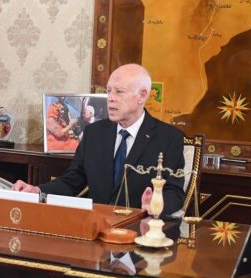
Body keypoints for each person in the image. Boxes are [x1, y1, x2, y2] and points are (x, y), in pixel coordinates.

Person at [15, 63, 185, 217]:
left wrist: (155, 205)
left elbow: (174, 193)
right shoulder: (94, 133)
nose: (110, 98)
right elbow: (73, 180)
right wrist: (37, 190)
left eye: (119, 92)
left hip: (139, 228)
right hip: (96, 226)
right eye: (108, 91)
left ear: (142, 95)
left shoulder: (169, 138)